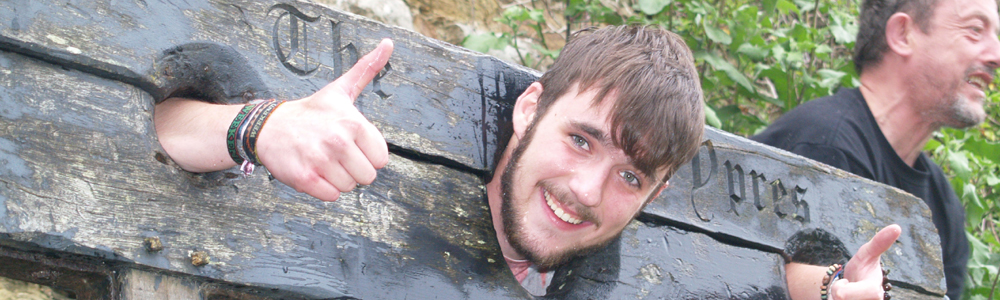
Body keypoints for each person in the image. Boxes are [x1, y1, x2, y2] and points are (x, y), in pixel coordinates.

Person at [155, 25, 895, 299]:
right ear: (527, 106)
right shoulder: (342, 169)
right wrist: (256, 127)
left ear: (655, 196)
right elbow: (165, 125)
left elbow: (772, 265)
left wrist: (824, 288)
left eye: (631, 177)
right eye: (581, 139)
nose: (584, 189)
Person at [752, 0, 1000, 298]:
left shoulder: (944, 205)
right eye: (975, 30)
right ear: (903, 34)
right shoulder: (822, 147)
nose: (996, 55)